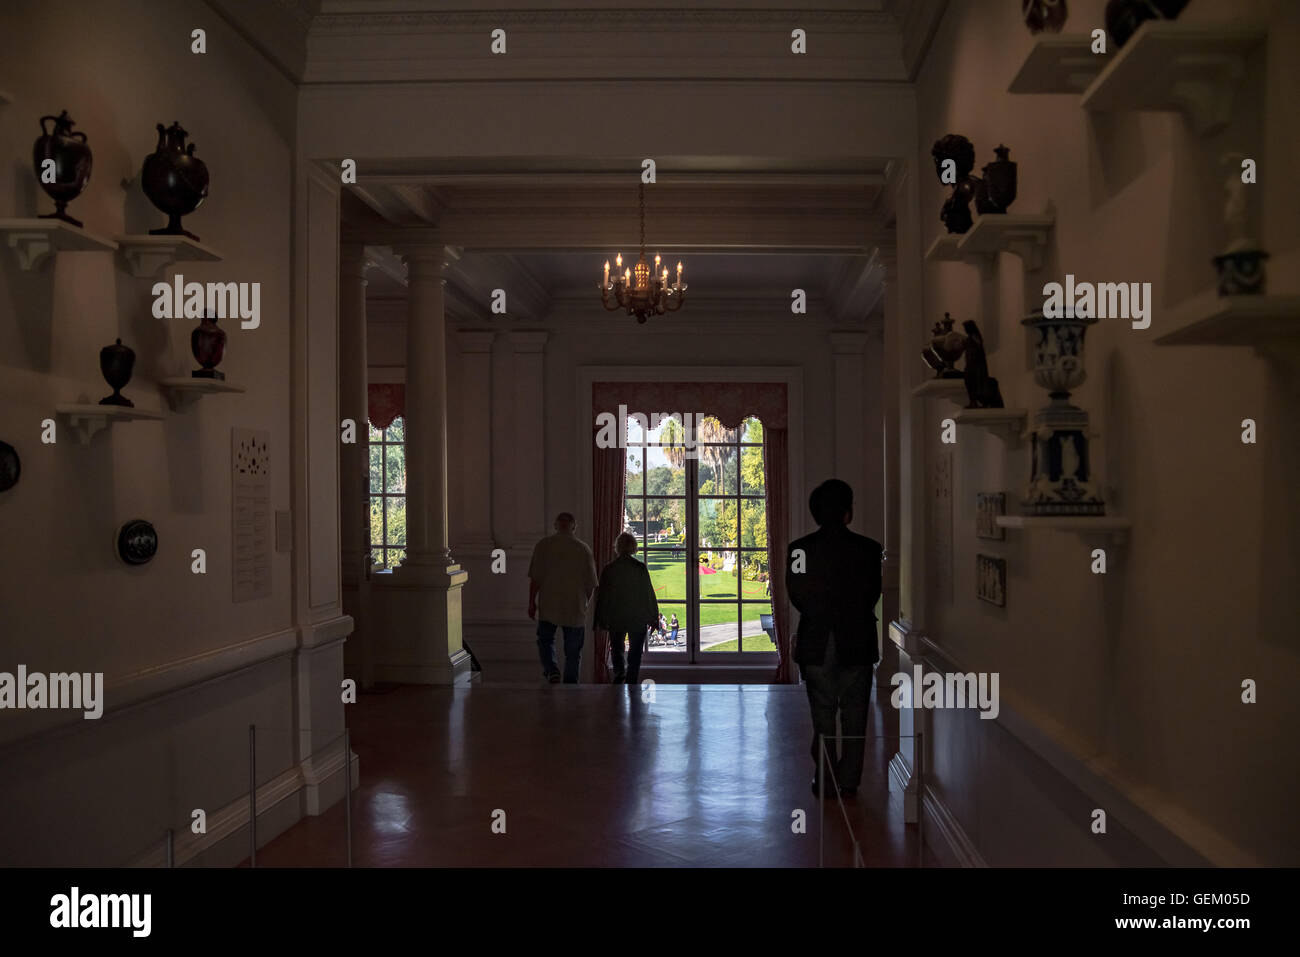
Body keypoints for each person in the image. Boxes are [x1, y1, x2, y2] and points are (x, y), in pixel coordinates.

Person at [786, 479, 883, 799]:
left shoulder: (799, 550)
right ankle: (850, 782)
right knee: (856, 716)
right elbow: (871, 594)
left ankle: (825, 778)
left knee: (823, 716)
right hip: (857, 639)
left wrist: (821, 614)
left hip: (817, 640)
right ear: (848, 512)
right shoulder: (869, 549)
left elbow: (797, 595)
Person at [528, 512, 598, 683]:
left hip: (549, 603)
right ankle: (571, 684)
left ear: (556, 525)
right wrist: (585, 602)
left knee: (545, 641)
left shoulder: (543, 545)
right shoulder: (583, 548)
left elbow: (535, 579)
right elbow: (590, 584)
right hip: (575, 604)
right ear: (574, 526)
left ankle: (552, 670)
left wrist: (531, 602)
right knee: (573, 652)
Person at [593, 532, 660, 684]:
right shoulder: (640, 568)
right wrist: (653, 616)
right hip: (637, 617)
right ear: (633, 548)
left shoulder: (609, 569)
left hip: (616, 616)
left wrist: (600, 619)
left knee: (617, 649)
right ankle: (631, 681)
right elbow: (648, 594)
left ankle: (619, 675)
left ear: (617, 547)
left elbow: (602, 597)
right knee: (635, 653)